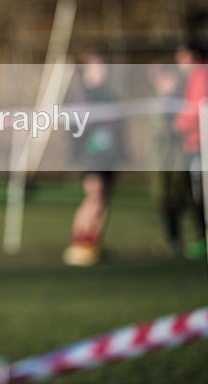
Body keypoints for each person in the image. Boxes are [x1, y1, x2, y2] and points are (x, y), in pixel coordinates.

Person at [62, 51, 125, 267]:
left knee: (104, 198)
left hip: (110, 154)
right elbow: (75, 125)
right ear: (88, 70)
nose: (103, 71)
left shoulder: (110, 94)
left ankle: (94, 244)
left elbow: (119, 124)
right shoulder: (82, 94)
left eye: (105, 66)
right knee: (94, 195)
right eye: (98, 66)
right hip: (91, 154)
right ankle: (78, 243)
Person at [172, 40, 208, 259]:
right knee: (207, 191)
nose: (178, 62)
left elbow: (198, 107)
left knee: (205, 192)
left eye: (181, 56)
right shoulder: (199, 75)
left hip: (204, 142)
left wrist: (179, 124)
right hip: (199, 141)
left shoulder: (202, 75)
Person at [148, 62, 195, 256]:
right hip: (162, 162)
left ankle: (202, 238)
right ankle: (173, 240)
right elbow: (166, 129)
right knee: (165, 200)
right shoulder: (156, 104)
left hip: (181, 159)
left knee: (188, 198)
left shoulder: (184, 100)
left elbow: (182, 126)